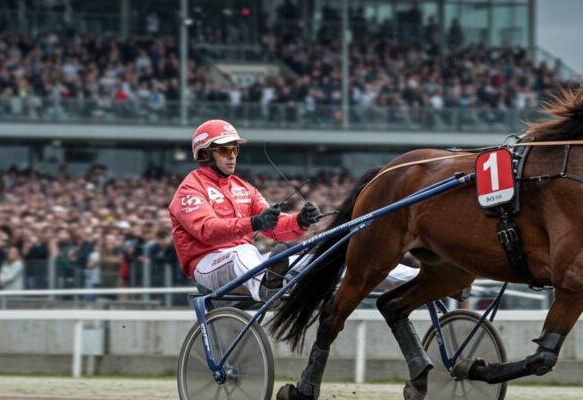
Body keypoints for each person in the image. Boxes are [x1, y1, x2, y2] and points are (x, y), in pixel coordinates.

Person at [169, 119, 415, 302]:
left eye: (235, 149)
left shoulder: (245, 188)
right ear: (204, 154)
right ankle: (265, 289)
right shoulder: (190, 189)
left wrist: (300, 221)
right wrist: (254, 223)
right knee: (242, 249)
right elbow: (207, 231)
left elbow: (276, 230)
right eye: (224, 150)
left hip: (248, 265)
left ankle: (413, 279)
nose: (232, 156)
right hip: (207, 266)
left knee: (327, 254)